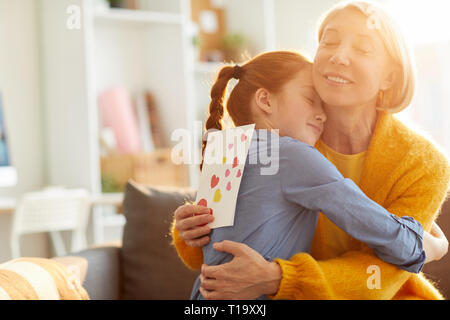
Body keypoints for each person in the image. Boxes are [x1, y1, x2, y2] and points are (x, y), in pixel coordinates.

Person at [172, 1, 450, 300]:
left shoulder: (423, 162)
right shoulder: (295, 140)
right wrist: (189, 229)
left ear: (390, 78)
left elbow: (383, 277)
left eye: (364, 48)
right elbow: (212, 257)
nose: (340, 55)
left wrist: (280, 278)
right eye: (329, 41)